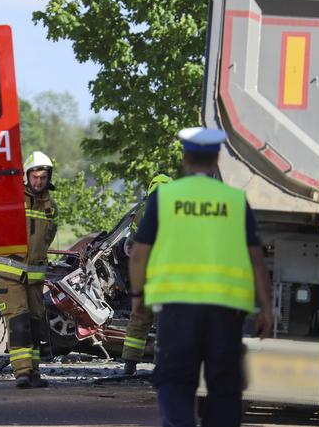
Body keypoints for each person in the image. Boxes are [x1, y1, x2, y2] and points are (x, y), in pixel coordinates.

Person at [128, 127, 274, 427]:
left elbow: (139, 253)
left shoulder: (165, 198)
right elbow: (256, 258)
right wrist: (266, 308)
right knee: (223, 389)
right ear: (217, 158)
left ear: (184, 158)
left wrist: (138, 297)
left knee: (175, 383)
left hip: (177, 309)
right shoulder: (235, 200)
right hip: (226, 311)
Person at [0, 151, 58, 389]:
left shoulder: (51, 207)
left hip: (34, 277)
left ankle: (35, 372)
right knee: (18, 320)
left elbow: (47, 238)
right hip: (10, 273)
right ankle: (22, 372)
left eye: (43, 177)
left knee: (35, 322)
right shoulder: (11, 199)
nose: (38, 181)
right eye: (35, 176)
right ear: (26, 176)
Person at [122, 174, 173, 375]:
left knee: (139, 319)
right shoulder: (175, 212)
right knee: (165, 323)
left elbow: (133, 243)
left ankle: (129, 364)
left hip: (146, 276)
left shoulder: (143, 211)